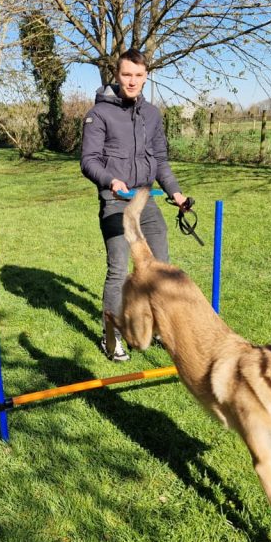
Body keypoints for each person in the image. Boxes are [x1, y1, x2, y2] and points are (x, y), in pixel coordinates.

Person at [80, 48, 187, 361]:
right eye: (127, 74)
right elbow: (88, 161)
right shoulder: (98, 114)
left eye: (139, 75)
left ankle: (158, 329)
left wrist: (176, 193)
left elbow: (161, 162)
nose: (132, 81)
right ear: (117, 74)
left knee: (161, 268)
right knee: (119, 271)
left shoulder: (151, 114)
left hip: (145, 201)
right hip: (115, 201)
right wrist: (110, 180)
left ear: (146, 76)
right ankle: (111, 339)